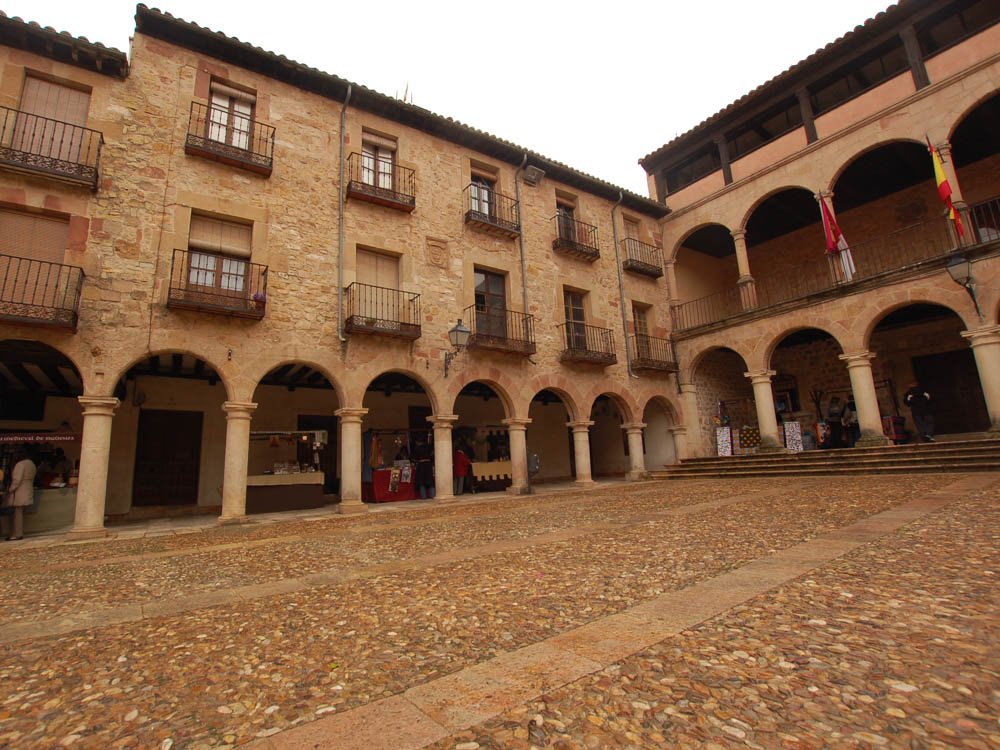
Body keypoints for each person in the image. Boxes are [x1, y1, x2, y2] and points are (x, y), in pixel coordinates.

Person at [4, 449, 37, 541]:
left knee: (17, 514)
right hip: (27, 488)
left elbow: (17, 480)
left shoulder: (20, 464)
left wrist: (10, 489)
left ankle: (17, 534)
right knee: (19, 513)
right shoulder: (31, 464)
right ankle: (17, 533)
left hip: (19, 491)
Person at [411, 435, 435, 499]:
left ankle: (423, 496)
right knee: (430, 480)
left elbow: (414, 458)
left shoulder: (417, 449)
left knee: (421, 481)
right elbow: (432, 455)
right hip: (428, 465)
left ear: (417, 442)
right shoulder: (429, 447)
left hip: (421, 465)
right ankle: (433, 495)